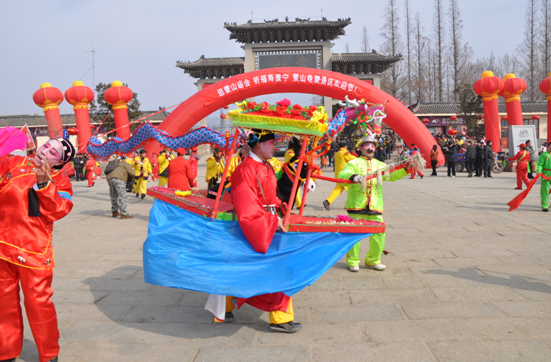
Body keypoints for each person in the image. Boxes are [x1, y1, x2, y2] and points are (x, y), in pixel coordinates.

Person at [212, 129, 301, 333]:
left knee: (241, 269)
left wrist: (282, 207)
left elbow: (270, 197)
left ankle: (225, 307)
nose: (275, 146)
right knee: (278, 269)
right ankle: (280, 318)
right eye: (271, 142)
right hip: (255, 225)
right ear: (259, 144)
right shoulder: (244, 169)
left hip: (268, 222)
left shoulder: (266, 166)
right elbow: (247, 206)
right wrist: (272, 218)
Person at [0, 138, 75, 362]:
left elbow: (60, 210)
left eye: (53, 152)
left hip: (33, 251)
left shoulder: (60, 182)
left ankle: (49, 353)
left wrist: (44, 187)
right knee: (4, 304)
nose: (46, 151)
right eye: (46, 146)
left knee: (38, 304)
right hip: (2, 247)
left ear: (59, 162)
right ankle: (6, 351)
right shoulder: (12, 163)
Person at [338, 135, 408, 272]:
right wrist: (353, 177)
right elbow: (342, 175)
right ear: (360, 148)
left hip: (375, 205)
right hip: (357, 204)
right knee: (354, 235)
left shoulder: (379, 165)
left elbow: (391, 175)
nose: (370, 148)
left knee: (379, 234)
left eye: (372, 145)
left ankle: (373, 260)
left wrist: (405, 169)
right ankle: (352, 261)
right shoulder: (354, 163)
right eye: (367, 145)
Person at [322, 139, 356, 211]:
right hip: (345, 175)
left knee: (338, 189)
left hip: (338, 174)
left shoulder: (337, 153)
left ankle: (328, 201)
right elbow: (353, 160)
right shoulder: (345, 152)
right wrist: (354, 155)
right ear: (346, 146)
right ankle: (355, 204)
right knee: (352, 189)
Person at [536, 141, 551, 212]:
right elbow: (539, 164)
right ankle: (545, 206)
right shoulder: (544, 155)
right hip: (546, 174)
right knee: (545, 190)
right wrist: (539, 171)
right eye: (550, 145)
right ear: (548, 147)